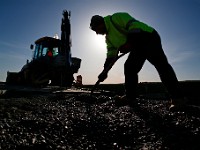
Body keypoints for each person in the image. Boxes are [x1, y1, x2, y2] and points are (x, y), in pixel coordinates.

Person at [89, 12, 187, 110]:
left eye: (96, 29)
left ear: (101, 22)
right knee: (129, 67)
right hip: (137, 46)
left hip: (148, 37)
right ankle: (130, 98)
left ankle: (178, 98)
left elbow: (134, 26)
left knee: (162, 66)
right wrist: (105, 71)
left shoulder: (116, 18)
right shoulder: (109, 39)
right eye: (95, 31)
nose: (97, 33)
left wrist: (129, 43)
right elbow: (111, 56)